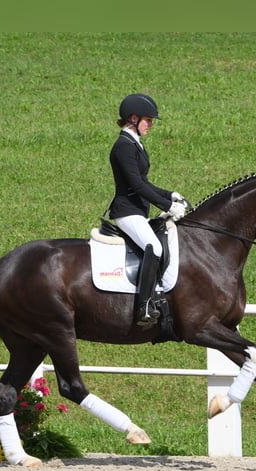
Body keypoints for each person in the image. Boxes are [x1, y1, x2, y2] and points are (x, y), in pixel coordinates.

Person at [106, 93, 187, 326]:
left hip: (137, 210)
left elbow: (145, 183)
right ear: (133, 118)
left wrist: (170, 195)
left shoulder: (134, 144)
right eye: (148, 120)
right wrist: (168, 206)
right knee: (154, 248)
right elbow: (137, 185)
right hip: (126, 211)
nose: (151, 125)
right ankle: (145, 305)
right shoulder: (124, 146)